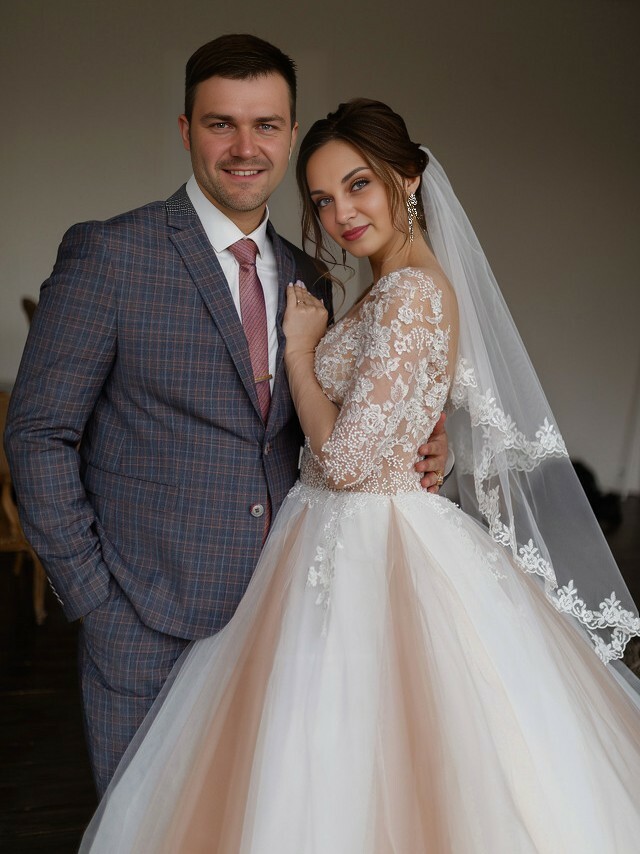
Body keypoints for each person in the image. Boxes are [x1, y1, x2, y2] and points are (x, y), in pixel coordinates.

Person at [78, 98, 640, 852]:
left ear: (407, 179)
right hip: (340, 533)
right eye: (321, 199)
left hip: (366, 542)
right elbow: (384, 422)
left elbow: (343, 461)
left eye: (358, 185)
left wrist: (299, 353)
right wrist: (421, 438)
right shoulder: (392, 285)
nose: (340, 213)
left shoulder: (409, 293)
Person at [3, 36, 449, 797]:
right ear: (187, 130)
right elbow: (38, 433)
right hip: (145, 624)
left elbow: (335, 425)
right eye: (222, 124)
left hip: (292, 621)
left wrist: (425, 446)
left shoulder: (310, 277)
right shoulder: (111, 255)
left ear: (289, 132)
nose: (246, 148)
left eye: (266, 125)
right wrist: (96, 602)